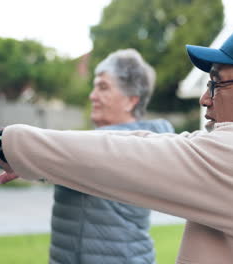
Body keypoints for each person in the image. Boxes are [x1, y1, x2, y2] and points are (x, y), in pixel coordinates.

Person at [0, 24, 233, 264]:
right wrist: (27, 156)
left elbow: (128, 157)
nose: (205, 99)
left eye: (217, 84)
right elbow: (142, 144)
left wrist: (7, 141)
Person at [49, 49, 174, 264]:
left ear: (130, 100)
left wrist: (12, 147)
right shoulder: (92, 144)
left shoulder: (133, 148)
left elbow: (61, 155)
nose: (92, 95)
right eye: (94, 86)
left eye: (103, 87)